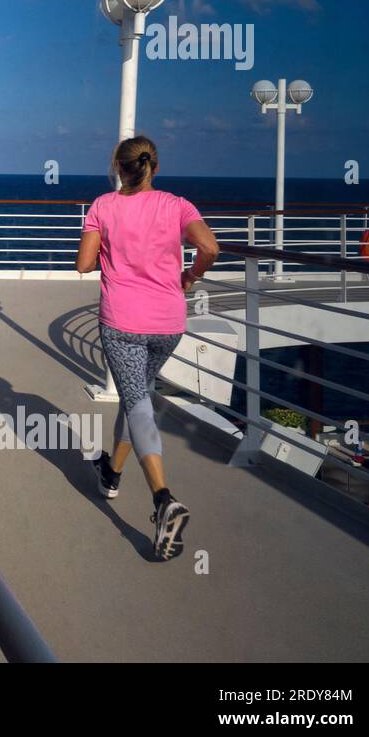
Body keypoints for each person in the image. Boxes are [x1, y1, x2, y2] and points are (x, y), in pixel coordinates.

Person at [75, 136, 218, 560]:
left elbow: (83, 264)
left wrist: (106, 250)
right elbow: (209, 247)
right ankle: (111, 473)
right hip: (168, 323)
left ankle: (163, 498)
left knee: (137, 401)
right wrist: (190, 277)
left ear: (119, 168)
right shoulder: (177, 205)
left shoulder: (103, 206)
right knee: (135, 394)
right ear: (154, 166)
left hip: (123, 323)